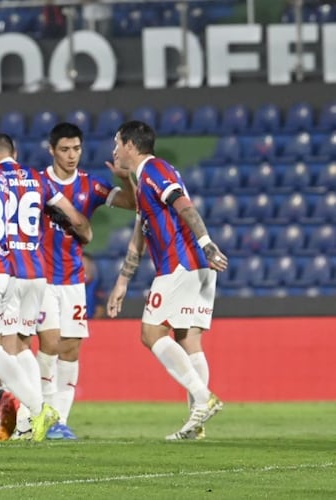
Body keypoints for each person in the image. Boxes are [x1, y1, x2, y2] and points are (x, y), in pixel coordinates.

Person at [105, 120, 228, 441]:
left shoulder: (155, 170)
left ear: (131, 145)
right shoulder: (143, 179)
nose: (114, 150)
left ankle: (203, 398)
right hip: (195, 267)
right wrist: (122, 282)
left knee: (150, 332)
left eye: (118, 143)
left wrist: (207, 243)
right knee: (188, 340)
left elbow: (185, 207)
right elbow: (139, 236)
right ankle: (195, 425)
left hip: (181, 264)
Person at [0, 132, 93, 441]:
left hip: (3, 273)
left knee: (5, 348)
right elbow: (76, 219)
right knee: (37, 345)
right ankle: (37, 415)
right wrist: (83, 232)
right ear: (15, 151)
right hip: (37, 273)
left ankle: (23, 416)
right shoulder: (36, 180)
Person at [35, 122, 135, 440]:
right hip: (40, 279)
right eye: (64, 149)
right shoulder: (36, 184)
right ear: (51, 150)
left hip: (73, 281)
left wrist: (125, 179)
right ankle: (39, 412)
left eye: (76, 149)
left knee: (71, 348)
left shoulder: (90, 186)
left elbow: (132, 204)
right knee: (49, 343)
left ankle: (59, 421)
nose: (71, 155)